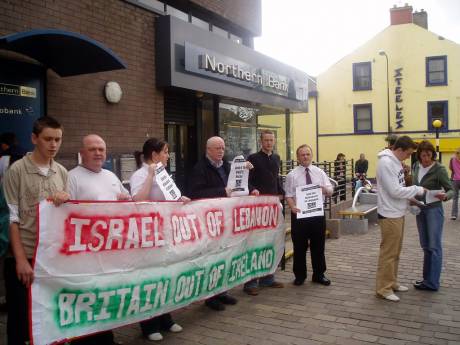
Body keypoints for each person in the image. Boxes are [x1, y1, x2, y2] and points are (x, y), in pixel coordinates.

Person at [2, 116, 69, 345]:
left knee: (48, 319)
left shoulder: (61, 172)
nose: (53, 145)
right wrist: (21, 260)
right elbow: (11, 218)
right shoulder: (16, 170)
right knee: (20, 321)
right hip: (24, 256)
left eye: (58, 139)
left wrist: (64, 199)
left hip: (50, 259)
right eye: (48, 139)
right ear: (34, 138)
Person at [68, 134, 130, 345]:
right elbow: (64, 215)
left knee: (106, 295)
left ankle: (107, 337)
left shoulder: (111, 176)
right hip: (85, 252)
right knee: (87, 297)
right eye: (92, 149)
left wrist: (126, 199)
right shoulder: (72, 177)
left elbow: (127, 199)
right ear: (82, 153)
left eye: (101, 149)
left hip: (110, 250)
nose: (97, 153)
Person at [188, 136, 257, 311]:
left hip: (227, 220)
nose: (221, 151)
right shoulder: (199, 168)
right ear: (208, 149)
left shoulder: (227, 165)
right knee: (212, 259)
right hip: (210, 222)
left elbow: (238, 185)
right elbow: (196, 193)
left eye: (223, 148)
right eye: (217, 148)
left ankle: (223, 291)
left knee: (225, 255)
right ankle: (211, 297)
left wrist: (249, 180)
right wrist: (222, 191)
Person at [129, 137, 184, 341]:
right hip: (147, 234)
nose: (168, 156)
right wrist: (151, 176)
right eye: (165, 152)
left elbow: (170, 197)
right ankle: (148, 324)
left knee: (165, 275)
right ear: (154, 155)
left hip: (164, 232)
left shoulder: (164, 173)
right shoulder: (139, 175)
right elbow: (137, 199)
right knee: (149, 278)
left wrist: (181, 199)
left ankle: (165, 318)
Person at [375, 135, 425, 302]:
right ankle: (384, 288)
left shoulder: (395, 162)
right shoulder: (386, 163)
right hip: (389, 214)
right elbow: (395, 191)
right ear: (400, 149)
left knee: (395, 252)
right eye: (408, 153)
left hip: (396, 212)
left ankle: (392, 282)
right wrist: (417, 189)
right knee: (388, 253)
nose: (409, 157)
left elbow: (400, 187)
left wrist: (410, 200)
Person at [243, 130, 284, 296]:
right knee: (256, 244)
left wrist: (281, 192)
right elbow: (247, 181)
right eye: (266, 140)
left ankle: (268, 278)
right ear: (261, 141)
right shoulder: (253, 158)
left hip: (273, 206)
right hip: (257, 207)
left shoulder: (276, 158)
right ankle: (251, 283)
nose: (268, 143)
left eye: (271, 140)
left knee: (270, 243)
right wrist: (253, 190)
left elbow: (276, 178)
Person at [285, 144, 333, 287]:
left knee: (318, 245)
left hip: (317, 215)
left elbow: (330, 190)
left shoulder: (320, 172)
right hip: (300, 215)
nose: (305, 157)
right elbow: (288, 195)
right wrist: (292, 207)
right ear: (298, 157)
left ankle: (319, 274)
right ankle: (300, 276)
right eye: (302, 155)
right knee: (299, 247)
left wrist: (324, 189)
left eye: (307, 154)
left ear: (311, 156)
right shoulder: (291, 175)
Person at [412, 141, 453, 291]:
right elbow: (415, 184)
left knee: (434, 246)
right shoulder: (416, 166)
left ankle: (433, 282)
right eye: (423, 155)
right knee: (425, 246)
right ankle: (426, 280)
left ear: (433, 154)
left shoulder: (439, 169)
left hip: (434, 210)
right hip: (420, 208)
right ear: (419, 155)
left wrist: (445, 196)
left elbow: (451, 190)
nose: (426, 158)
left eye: (429, 155)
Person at [449, 148, 460, 220]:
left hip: (455, 180)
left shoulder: (452, 159)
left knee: (455, 198)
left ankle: (454, 215)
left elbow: (450, 168)